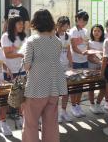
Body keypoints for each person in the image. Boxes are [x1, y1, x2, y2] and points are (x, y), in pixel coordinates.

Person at [22, 9, 67, 142]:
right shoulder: (57, 41)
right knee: (51, 124)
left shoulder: (32, 41)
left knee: (31, 124)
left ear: (35, 23)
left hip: (36, 88)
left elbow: (27, 66)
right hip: (53, 88)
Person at [1, 15, 27, 128]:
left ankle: (22, 118)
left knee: (22, 96)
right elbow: (7, 55)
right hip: (9, 71)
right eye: (19, 23)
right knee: (5, 98)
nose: (22, 25)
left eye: (22, 23)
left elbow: (26, 53)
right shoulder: (5, 37)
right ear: (12, 25)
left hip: (21, 70)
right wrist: (20, 54)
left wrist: (17, 53)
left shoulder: (24, 37)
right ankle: (3, 121)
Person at [69, 10, 89, 118]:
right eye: (81, 20)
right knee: (74, 84)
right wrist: (82, 53)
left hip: (84, 60)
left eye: (85, 21)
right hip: (76, 61)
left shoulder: (85, 31)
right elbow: (73, 47)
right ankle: (73, 105)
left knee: (81, 84)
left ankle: (78, 104)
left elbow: (87, 44)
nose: (83, 22)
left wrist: (89, 53)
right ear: (77, 19)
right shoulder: (73, 31)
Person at [55, 16, 73, 123]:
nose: (65, 27)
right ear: (58, 24)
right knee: (56, 92)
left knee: (66, 91)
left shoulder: (68, 36)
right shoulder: (52, 36)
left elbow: (69, 52)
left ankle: (63, 111)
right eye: (63, 24)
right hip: (56, 67)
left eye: (67, 25)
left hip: (66, 67)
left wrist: (71, 64)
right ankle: (55, 113)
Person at [85, 24, 106, 114]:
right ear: (92, 32)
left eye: (98, 31)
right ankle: (92, 104)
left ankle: (98, 103)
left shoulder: (105, 42)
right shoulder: (89, 42)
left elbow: (104, 56)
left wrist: (101, 63)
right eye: (94, 31)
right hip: (92, 66)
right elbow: (89, 57)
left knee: (104, 86)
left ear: (102, 32)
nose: (96, 33)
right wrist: (98, 62)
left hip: (102, 66)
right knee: (91, 86)